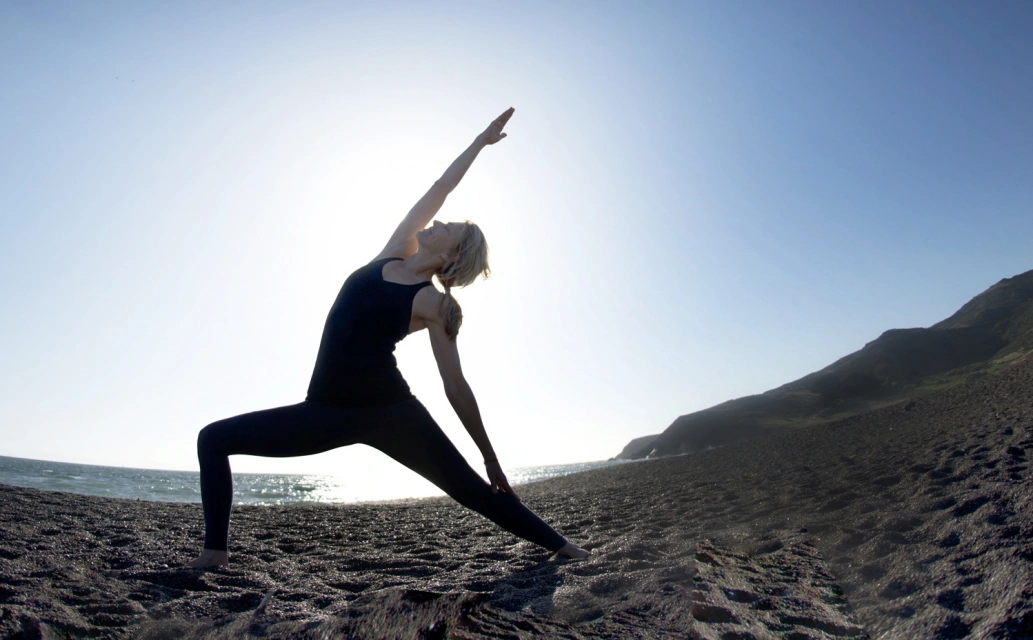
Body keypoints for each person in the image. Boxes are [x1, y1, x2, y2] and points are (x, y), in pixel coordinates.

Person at [187, 108, 589, 568]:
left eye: (447, 228)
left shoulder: (434, 305)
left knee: (474, 492)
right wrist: (479, 141)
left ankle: (567, 549)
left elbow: (455, 387)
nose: (436, 223)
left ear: (451, 253)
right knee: (213, 439)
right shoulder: (395, 251)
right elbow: (441, 187)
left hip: (390, 413)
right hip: (324, 410)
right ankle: (214, 554)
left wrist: (490, 458)